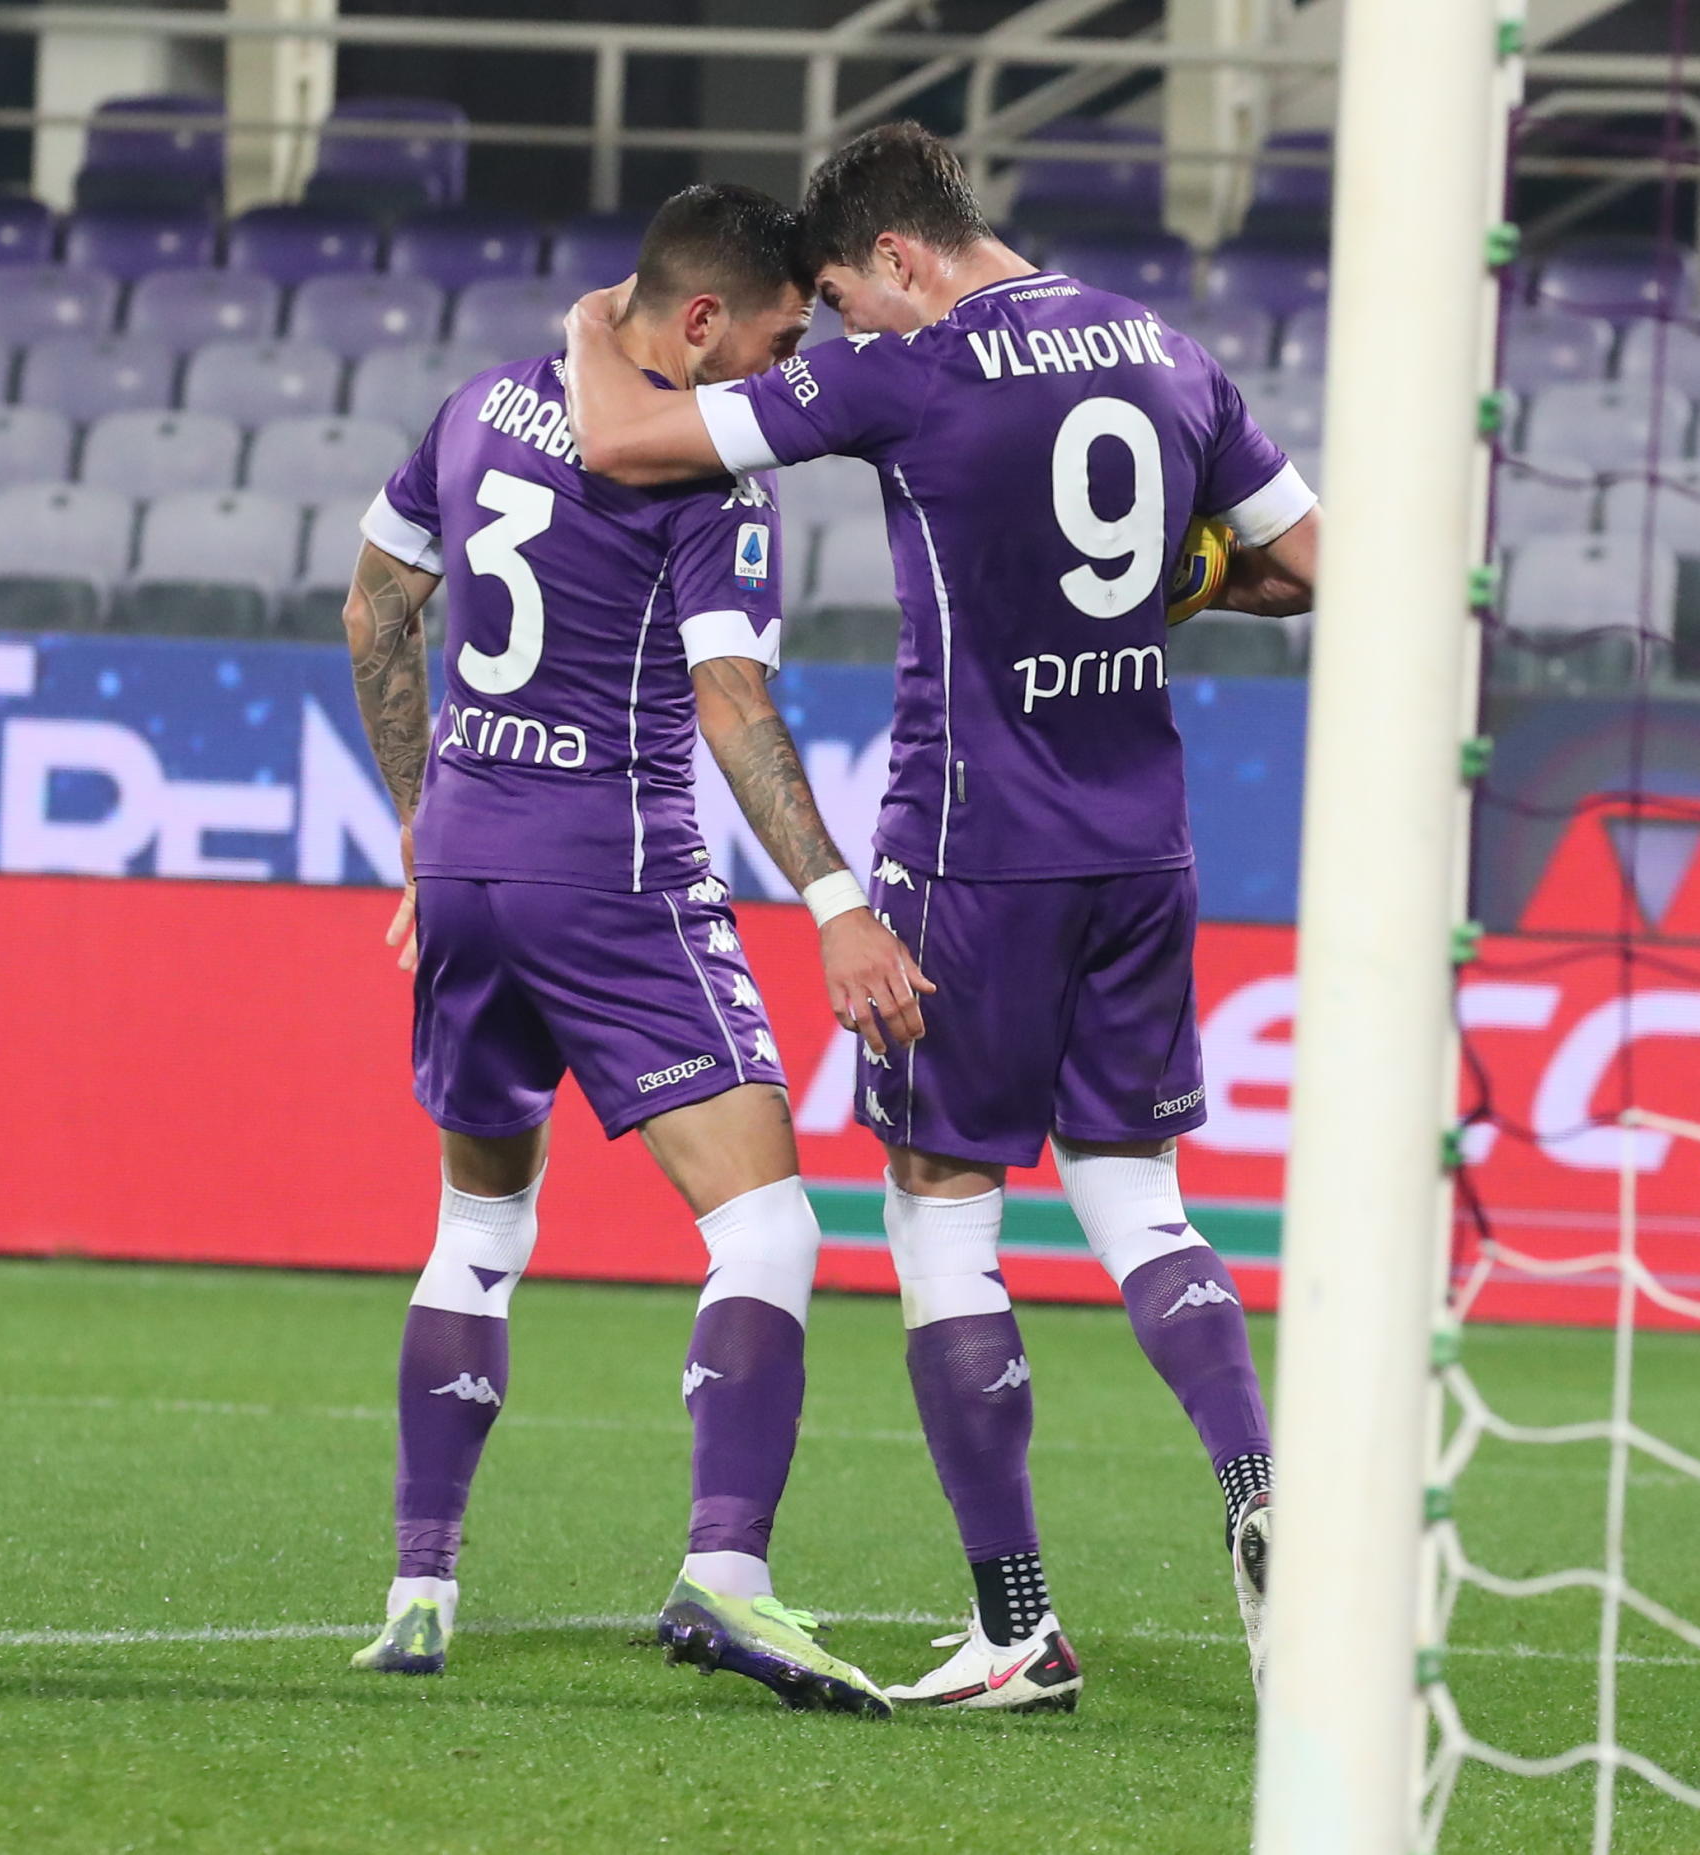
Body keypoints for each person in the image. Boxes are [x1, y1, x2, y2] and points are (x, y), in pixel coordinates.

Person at [562, 123, 1319, 1712]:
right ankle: (1261, 1488)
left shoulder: (908, 372)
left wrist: (588, 319)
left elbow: (623, 439)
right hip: (1144, 849)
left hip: (973, 856)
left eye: (840, 298)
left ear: (897, 258)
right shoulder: (1168, 350)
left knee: (941, 1214)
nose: (834, 329)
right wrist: (1181, 584)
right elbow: (1309, 564)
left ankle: (1018, 1626)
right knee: (1140, 1200)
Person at [338, 182, 930, 1718]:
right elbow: (732, 709)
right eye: (783, 338)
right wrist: (833, 899)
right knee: (768, 1232)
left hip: (469, 860)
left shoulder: (477, 409)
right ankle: (726, 1574)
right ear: (703, 323)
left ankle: (419, 1589)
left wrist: (418, 823)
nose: (793, 368)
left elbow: (375, 609)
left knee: (477, 1229)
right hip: (614, 869)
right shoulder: (708, 474)